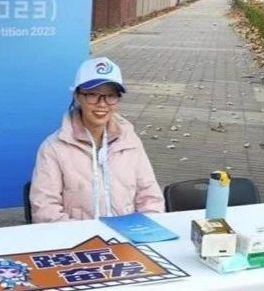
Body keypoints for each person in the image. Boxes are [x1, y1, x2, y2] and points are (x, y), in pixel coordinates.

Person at [30, 57, 165, 222]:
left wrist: (145, 229)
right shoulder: (53, 148)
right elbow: (45, 210)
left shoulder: (130, 141)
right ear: (77, 96)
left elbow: (150, 198)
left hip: (129, 234)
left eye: (111, 96)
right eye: (93, 95)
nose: (102, 104)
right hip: (78, 236)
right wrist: (87, 234)